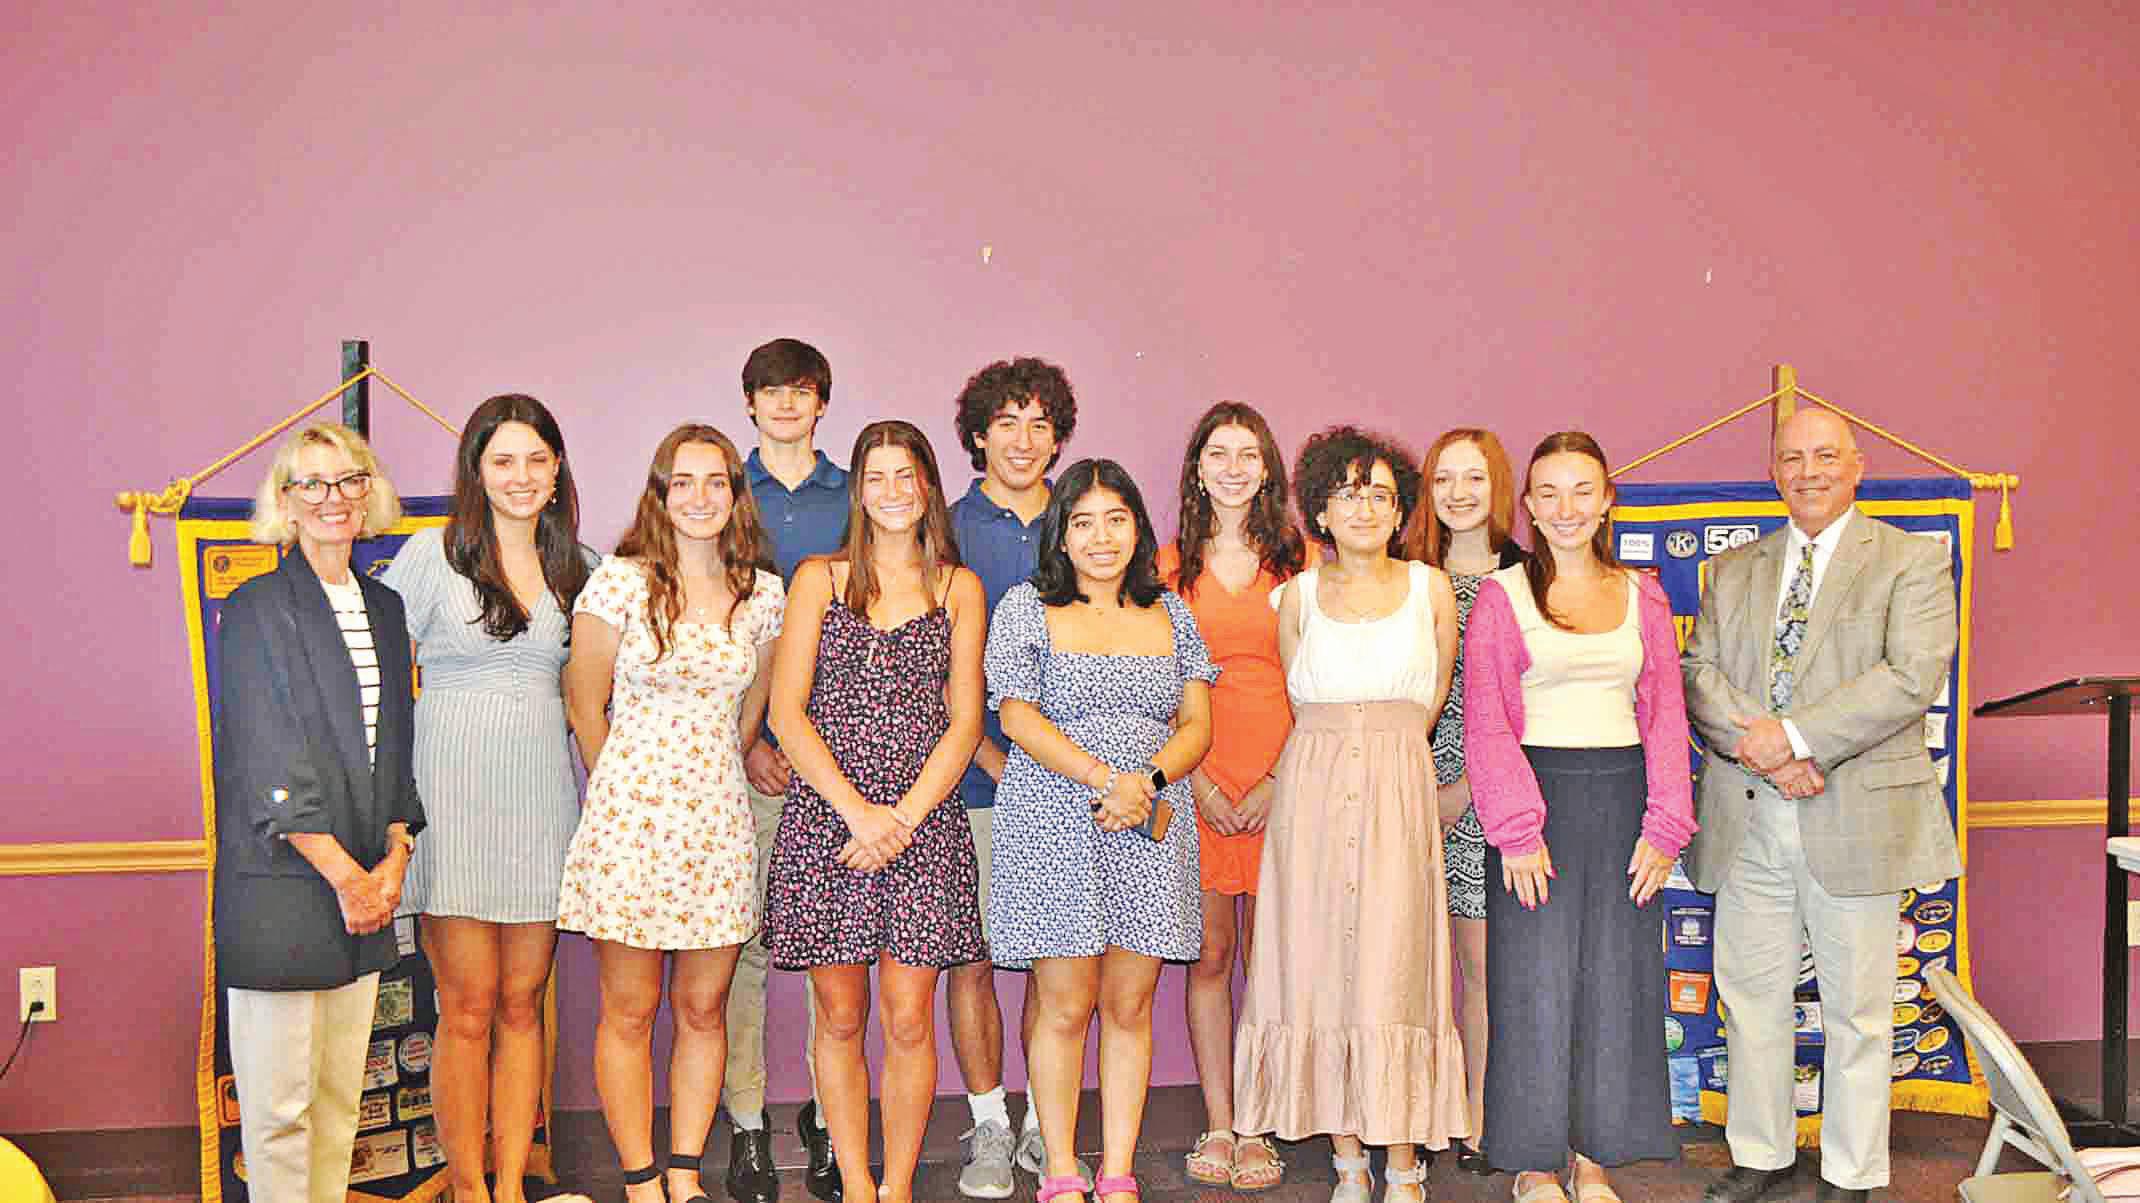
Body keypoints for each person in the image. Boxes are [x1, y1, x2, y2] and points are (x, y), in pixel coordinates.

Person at [1682, 408, 1958, 1203]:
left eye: (1826, 455)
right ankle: (1762, 1154)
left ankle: (1851, 1172)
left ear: (1858, 465)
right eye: (1793, 457)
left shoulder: (1909, 561)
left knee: (1859, 1010)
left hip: (1854, 814)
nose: (1809, 471)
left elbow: (1908, 677)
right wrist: (1767, 746)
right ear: (1773, 471)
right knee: (1751, 998)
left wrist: (1798, 738)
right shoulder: (1733, 569)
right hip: (1747, 815)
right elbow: (1699, 674)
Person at [1233, 426, 1464, 1203]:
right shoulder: (1295, 597)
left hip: (1398, 786)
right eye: (1346, 493)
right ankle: (1347, 1163)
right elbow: (1301, 699)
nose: (1363, 507)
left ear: (1400, 510)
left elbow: (1428, 704)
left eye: (1379, 494)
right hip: (1315, 793)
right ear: (1321, 511)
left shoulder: (1432, 590)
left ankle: (1403, 1163)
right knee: (1320, 964)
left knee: (1396, 967)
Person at [1463, 431, 1695, 1202]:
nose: (1566, 508)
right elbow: (1488, 723)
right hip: (1535, 810)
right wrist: (1516, 830)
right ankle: (1534, 1163)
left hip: (1625, 804)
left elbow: (1665, 715)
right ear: (1529, 506)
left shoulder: (1643, 596)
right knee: (1533, 985)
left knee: (1614, 984)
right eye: (1549, 493)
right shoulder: (1502, 598)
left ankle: (1593, 1158)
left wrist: (1665, 825)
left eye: (1582, 490)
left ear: (1605, 501)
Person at [762, 420, 988, 1203]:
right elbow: (786, 713)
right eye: (877, 476)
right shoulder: (817, 580)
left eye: (907, 475)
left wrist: (902, 819)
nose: (893, 491)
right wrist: (860, 814)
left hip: (924, 824)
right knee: (838, 1013)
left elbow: (965, 722)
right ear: (857, 490)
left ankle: (897, 1186)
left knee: (910, 1016)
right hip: (832, 820)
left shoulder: (959, 588)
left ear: (928, 486)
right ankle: (857, 1183)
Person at [560, 425, 784, 1203]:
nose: (699, 497)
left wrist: (701, 781)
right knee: (629, 1010)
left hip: (718, 827)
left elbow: (750, 717)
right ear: (659, 494)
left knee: (703, 1007)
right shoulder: (618, 582)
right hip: (630, 825)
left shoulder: (763, 594)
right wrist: (629, 792)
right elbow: (584, 705)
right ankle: (640, 1178)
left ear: (736, 494)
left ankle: (685, 1173)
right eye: (681, 482)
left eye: (715, 481)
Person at [381, 394, 595, 1203]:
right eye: (503, 460)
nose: (521, 476)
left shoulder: (583, 567)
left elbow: (603, 689)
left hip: (541, 802)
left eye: (537, 460)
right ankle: (468, 1187)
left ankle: (510, 1186)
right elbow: (380, 681)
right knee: (467, 1007)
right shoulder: (429, 557)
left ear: (557, 469)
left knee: (522, 1005)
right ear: (476, 470)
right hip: (451, 800)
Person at [986, 458, 1217, 1203]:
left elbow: (1197, 725)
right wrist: (1102, 779)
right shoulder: (1025, 607)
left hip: (1147, 819)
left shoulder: (1171, 611)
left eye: (1116, 519)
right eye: (1082, 522)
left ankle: (1117, 1171)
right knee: (1063, 1004)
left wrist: (1143, 782)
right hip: (1055, 817)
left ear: (1138, 529)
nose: (1101, 536)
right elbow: (1016, 715)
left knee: (1128, 1004)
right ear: (1061, 535)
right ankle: (1060, 1168)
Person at [213, 423, 424, 1203]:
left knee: (340, 1107)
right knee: (279, 1114)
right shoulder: (256, 607)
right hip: (284, 887)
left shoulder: (386, 608)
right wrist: (348, 878)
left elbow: (395, 747)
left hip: (365, 888)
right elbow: (271, 761)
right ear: (286, 500)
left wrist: (395, 856)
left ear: (369, 492)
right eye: (312, 482)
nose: (332, 497)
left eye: (348, 479)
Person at [945, 357, 1090, 1196]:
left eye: (1040, 424)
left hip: (1071, 786)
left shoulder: (1088, 520)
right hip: (972, 783)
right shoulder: (946, 529)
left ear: (1058, 436)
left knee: (1052, 963)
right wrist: (997, 763)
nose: (1024, 440)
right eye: (1007, 423)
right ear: (978, 435)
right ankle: (990, 1125)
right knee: (972, 958)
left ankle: (1045, 1123)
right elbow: (938, 670)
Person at [1158, 402, 1306, 1193]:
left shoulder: (1300, 562)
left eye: (1249, 453)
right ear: (1197, 469)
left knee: (1272, 963)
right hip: (1199, 783)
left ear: (1268, 468)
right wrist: (1199, 780)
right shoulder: (1167, 566)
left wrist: (1279, 779)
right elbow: (1154, 686)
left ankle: (1259, 1123)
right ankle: (1221, 1120)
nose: (1234, 468)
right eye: (1219, 453)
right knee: (1212, 954)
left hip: (1287, 782)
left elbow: (1319, 679)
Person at [731, 337, 849, 1203]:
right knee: (744, 946)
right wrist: (750, 741)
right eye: (769, 390)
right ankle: (746, 1123)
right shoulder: (720, 490)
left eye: (800, 390)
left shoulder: (857, 493)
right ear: (749, 403)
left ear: (821, 403)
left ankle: (827, 1117)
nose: (784, 403)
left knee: (829, 950)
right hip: (748, 756)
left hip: (839, 758)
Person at [1398, 427, 1526, 1176]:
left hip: (1489, 801)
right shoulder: (1405, 577)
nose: (1458, 493)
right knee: (1407, 968)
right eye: (1444, 478)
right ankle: (1412, 1117)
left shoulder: (1527, 578)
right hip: (1404, 791)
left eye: (1474, 477)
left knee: (1480, 970)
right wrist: (1418, 784)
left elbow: (1528, 707)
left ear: (1498, 484)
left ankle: (1480, 1115)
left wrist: (1467, 790)